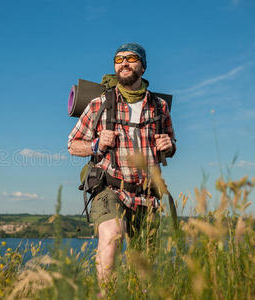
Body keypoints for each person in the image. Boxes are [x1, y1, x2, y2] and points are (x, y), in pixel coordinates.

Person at [67, 43, 176, 283]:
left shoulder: (160, 107)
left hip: (147, 195)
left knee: (145, 269)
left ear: (143, 67)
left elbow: (170, 145)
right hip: (110, 188)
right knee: (112, 235)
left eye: (131, 58)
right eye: (118, 59)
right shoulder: (99, 103)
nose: (124, 63)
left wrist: (169, 146)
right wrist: (96, 145)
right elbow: (73, 145)